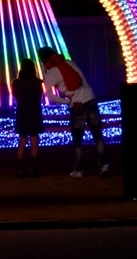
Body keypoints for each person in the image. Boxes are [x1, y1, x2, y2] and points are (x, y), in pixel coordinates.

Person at [37, 46, 108, 177]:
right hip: (91, 99)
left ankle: (79, 170)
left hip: (77, 106)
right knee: (98, 137)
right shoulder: (70, 63)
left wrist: (67, 101)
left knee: (77, 141)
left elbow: (49, 95)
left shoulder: (51, 73)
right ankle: (104, 167)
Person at [11, 58, 44, 177]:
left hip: (22, 112)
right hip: (35, 112)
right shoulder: (37, 82)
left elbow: (15, 96)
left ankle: (20, 169)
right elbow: (40, 95)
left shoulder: (16, 82)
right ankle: (33, 169)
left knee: (22, 140)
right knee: (34, 141)